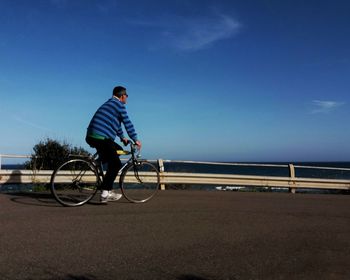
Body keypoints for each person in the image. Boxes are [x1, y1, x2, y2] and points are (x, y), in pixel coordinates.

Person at [86, 86, 142, 204]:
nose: (127, 98)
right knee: (116, 164)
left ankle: (98, 162)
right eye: (126, 96)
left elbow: (115, 124)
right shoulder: (119, 105)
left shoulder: (109, 104)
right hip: (101, 137)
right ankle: (105, 193)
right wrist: (135, 139)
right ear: (122, 96)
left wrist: (122, 138)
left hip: (92, 135)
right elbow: (127, 123)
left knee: (118, 149)